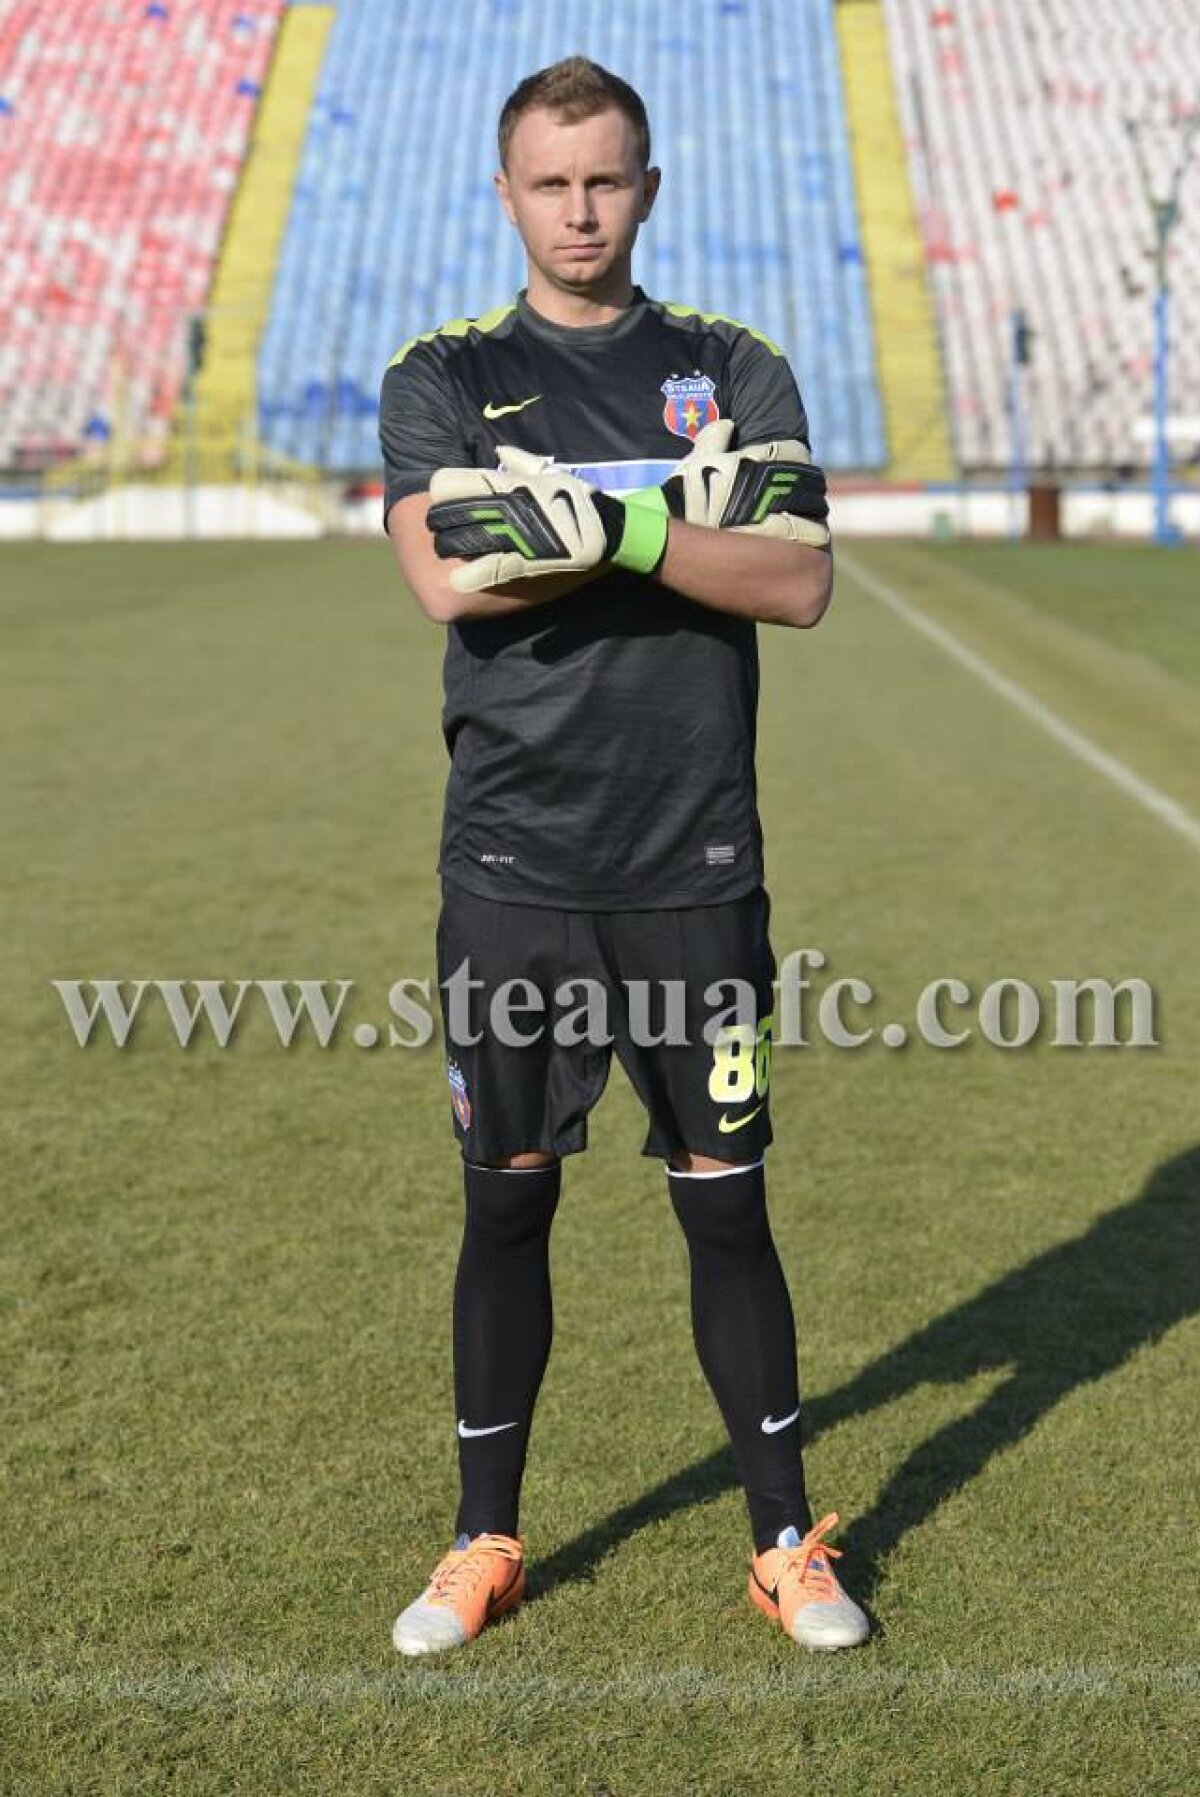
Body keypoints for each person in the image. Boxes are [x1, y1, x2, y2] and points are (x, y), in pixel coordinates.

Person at [379, 56, 868, 1657]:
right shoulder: (442, 374)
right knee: (506, 1202)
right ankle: (482, 1540)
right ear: (507, 191)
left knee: (726, 1206)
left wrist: (609, 526)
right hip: (513, 867)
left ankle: (787, 1542)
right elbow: (449, 579)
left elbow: (794, 586)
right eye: (550, 181)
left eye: (606, 179)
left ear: (646, 188)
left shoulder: (733, 364)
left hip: (695, 861)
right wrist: (687, 518)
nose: (579, 209)